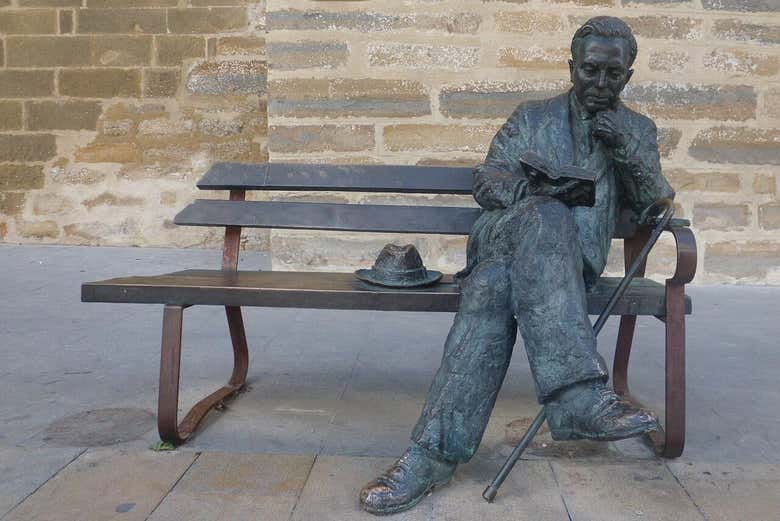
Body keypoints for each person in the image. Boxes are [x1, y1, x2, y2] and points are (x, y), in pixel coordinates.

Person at [359, 16, 676, 516]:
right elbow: (488, 180)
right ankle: (576, 396)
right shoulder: (531, 117)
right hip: (504, 238)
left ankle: (427, 458)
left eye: (613, 75)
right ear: (572, 67)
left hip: (564, 269)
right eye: (590, 70)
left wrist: (627, 152)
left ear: (628, 76)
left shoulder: (637, 130)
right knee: (544, 215)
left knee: (490, 290)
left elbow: (657, 204)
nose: (600, 83)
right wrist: (533, 195)